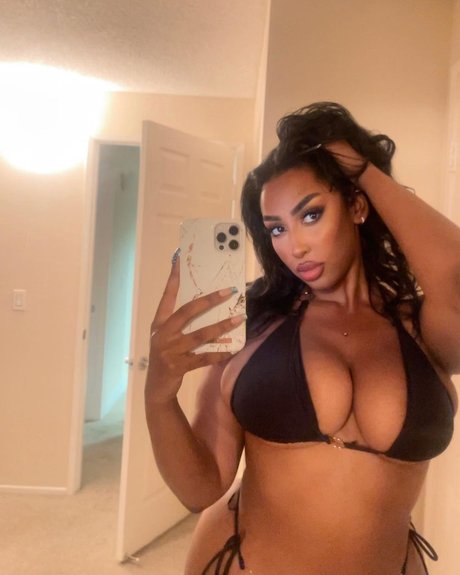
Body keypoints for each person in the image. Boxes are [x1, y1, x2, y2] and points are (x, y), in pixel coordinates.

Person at [144, 102, 459, 575]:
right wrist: (158, 396)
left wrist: (358, 167)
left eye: (310, 215)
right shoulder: (254, 323)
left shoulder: (423, 330)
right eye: (277, 228)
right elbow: (201, 487)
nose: (294, 247)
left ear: (356, 206)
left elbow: (454, 274)